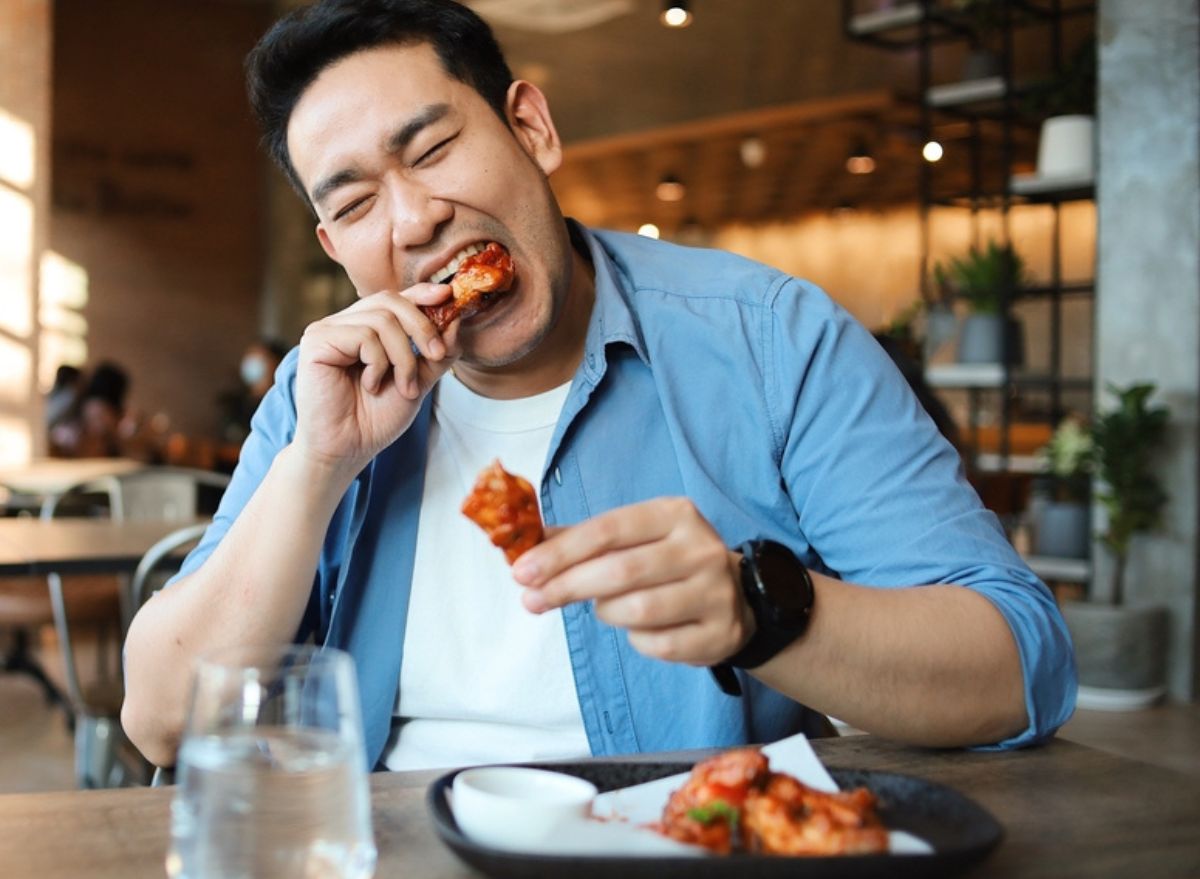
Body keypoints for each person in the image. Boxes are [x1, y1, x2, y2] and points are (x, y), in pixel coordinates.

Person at [122, 0, 1076, 771]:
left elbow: (1017, 666)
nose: (413, 220)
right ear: (337, 248)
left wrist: (763, 612)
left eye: (432, 149)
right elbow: (162, 722)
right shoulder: (318, 393)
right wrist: (318, 464)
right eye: (358, 202)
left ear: (531, 128)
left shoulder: (770, 338)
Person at [217, 338, 289, 444]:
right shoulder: (231, 405)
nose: (253, 364)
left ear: (277, 363)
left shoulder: (284, 406)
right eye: (250, 357)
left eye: (261, 359)